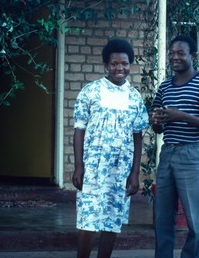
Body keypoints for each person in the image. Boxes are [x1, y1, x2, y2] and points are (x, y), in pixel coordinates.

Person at [72, 38, 149, 258]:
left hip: (120, 170)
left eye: (124, 64)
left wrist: (134, 173)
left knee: (112, 220)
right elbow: (79, 130)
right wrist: (79, 167)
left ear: (130, 65)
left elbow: (138, 137)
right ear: (107, 65)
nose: (119, 68)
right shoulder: (91, 92)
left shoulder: (134, 98)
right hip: (93, 168)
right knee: (88, 219)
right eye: (114, 63)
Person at [151, 35, 199, 258]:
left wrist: (180, 115)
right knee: (162, 218)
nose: (175, 57)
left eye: (180, 53)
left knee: (195, 220)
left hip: (192, 154)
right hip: (168, 153)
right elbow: (159, 128)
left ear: (192, 56)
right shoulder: (164, 87)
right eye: (171, 53)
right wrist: (156, 121)